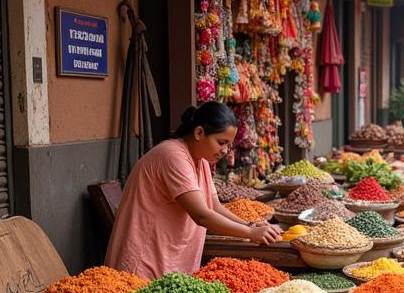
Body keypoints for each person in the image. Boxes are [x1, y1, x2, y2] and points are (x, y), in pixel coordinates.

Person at [106, 102, 281, 278]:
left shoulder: (201, 161)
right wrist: (250, 233)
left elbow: (214, 207)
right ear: (199, 133)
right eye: (221, 142)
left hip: (166, 262)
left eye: (229, 145)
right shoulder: (173, 155)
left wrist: (251, 226)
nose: (225, 151)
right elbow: (202, 215)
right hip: (144, 262)